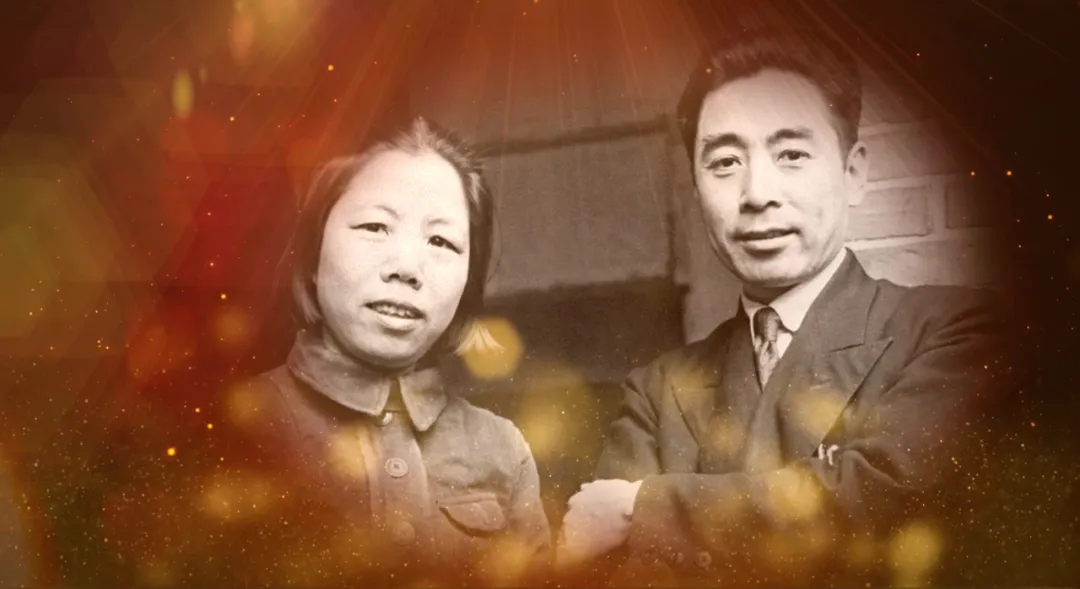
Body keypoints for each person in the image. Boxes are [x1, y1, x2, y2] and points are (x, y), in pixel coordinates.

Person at [557, 25, 1014, 587]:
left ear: (853, 173)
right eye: (725, 162)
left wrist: (642, 507)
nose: (757, 194)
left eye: (791, 154)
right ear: (696, 188)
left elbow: (889, 497)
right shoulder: (657, 391)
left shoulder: (955, 331)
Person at [182, 117, 551, 587]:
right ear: (314, 252)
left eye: (441, 241)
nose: (407, 267)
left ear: (467, 280)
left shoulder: (501, 449)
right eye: (376, 226)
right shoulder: (229, 430)